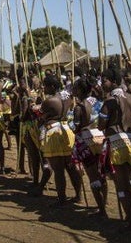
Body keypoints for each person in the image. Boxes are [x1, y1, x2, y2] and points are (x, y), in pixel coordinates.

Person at [99, 66, 131, 231]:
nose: (102, 84)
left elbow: (101, 124)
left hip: (117, 142)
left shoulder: (109, 101)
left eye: (105, 80)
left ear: (114, 82)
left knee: (121, 184)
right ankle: (129, 217)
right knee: (126, 182)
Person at [36, 74, 82, 206]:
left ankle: (61, 200)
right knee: (70, 166)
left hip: (54, 133)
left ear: (51, 86)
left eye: (45, 86)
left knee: (58, 169)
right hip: (67, 130)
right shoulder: (68, 99)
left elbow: (41, 117)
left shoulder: (49, 101)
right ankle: (78, 195)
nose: (43, 88)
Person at [71, 76, 107, 217]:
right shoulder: (98, 102)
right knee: (101, 172)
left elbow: (76, 127)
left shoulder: (79, 107)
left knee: (93, 176)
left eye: (75, 87)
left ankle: (101, 209)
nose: (73, 90)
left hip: (86, 141)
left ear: (80, 90)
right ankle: (104, 202)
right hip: (101, 138)